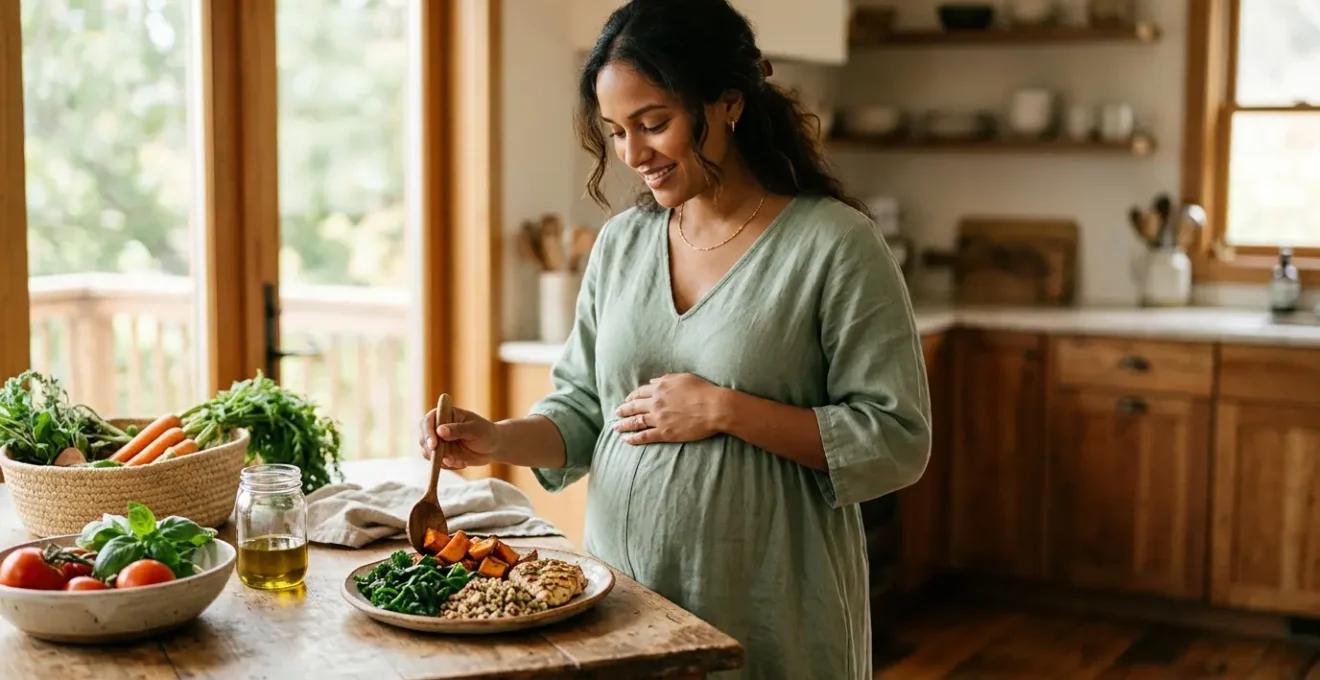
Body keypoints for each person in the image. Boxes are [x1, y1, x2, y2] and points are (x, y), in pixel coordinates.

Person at [418, 1, 931, 677]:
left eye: (653, 123)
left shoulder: (835, 245)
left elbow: (897, 439)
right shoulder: (620, 245)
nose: (633, 154)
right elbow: (584, 413)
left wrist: (724, 409)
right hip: (625, 600)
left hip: (769, 608)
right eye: (616, 131)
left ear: (726, 105)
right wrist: (497, 439)